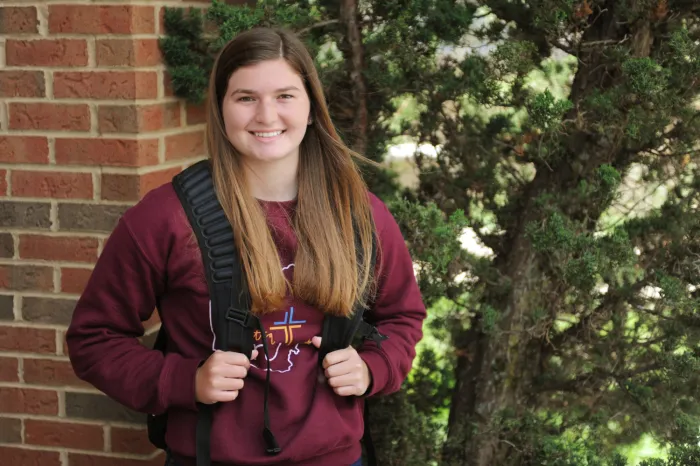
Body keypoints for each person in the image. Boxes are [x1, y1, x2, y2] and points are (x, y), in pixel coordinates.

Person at [66, 27, 426, 466]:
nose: (266, 115)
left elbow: (402, 316)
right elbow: (94, 338)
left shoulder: (359, 214)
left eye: (285, 96)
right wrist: (185, 381)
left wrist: (376, 367)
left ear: (312, 108)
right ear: (221, 109)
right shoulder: (165, 219)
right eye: (245, 98)